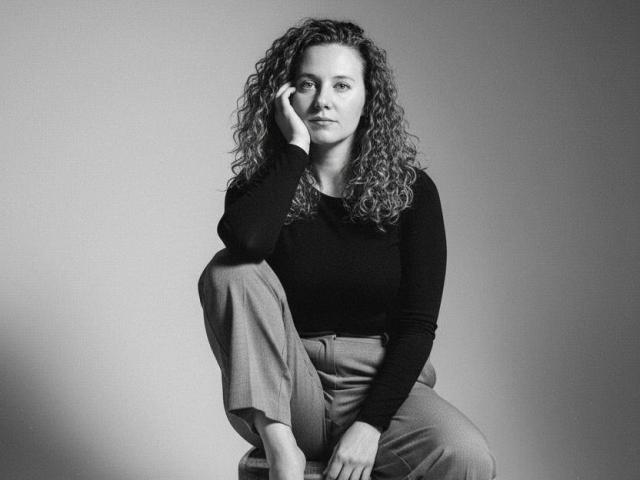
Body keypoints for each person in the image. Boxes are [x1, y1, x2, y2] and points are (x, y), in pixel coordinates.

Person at [198, 18, 496, 480]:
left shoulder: (413, 193)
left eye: (341, 85)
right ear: (285, 97)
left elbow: (417, 326)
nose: (323, 100)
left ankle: (351, 430)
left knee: (466, 456)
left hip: (381, 385)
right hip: (288, 388)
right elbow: (245, 245)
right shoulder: (260, 191)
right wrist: (296, 149)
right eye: (307, 84)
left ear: (367, 98)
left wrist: (370, 426)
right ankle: (283, 451)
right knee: (229, 270)